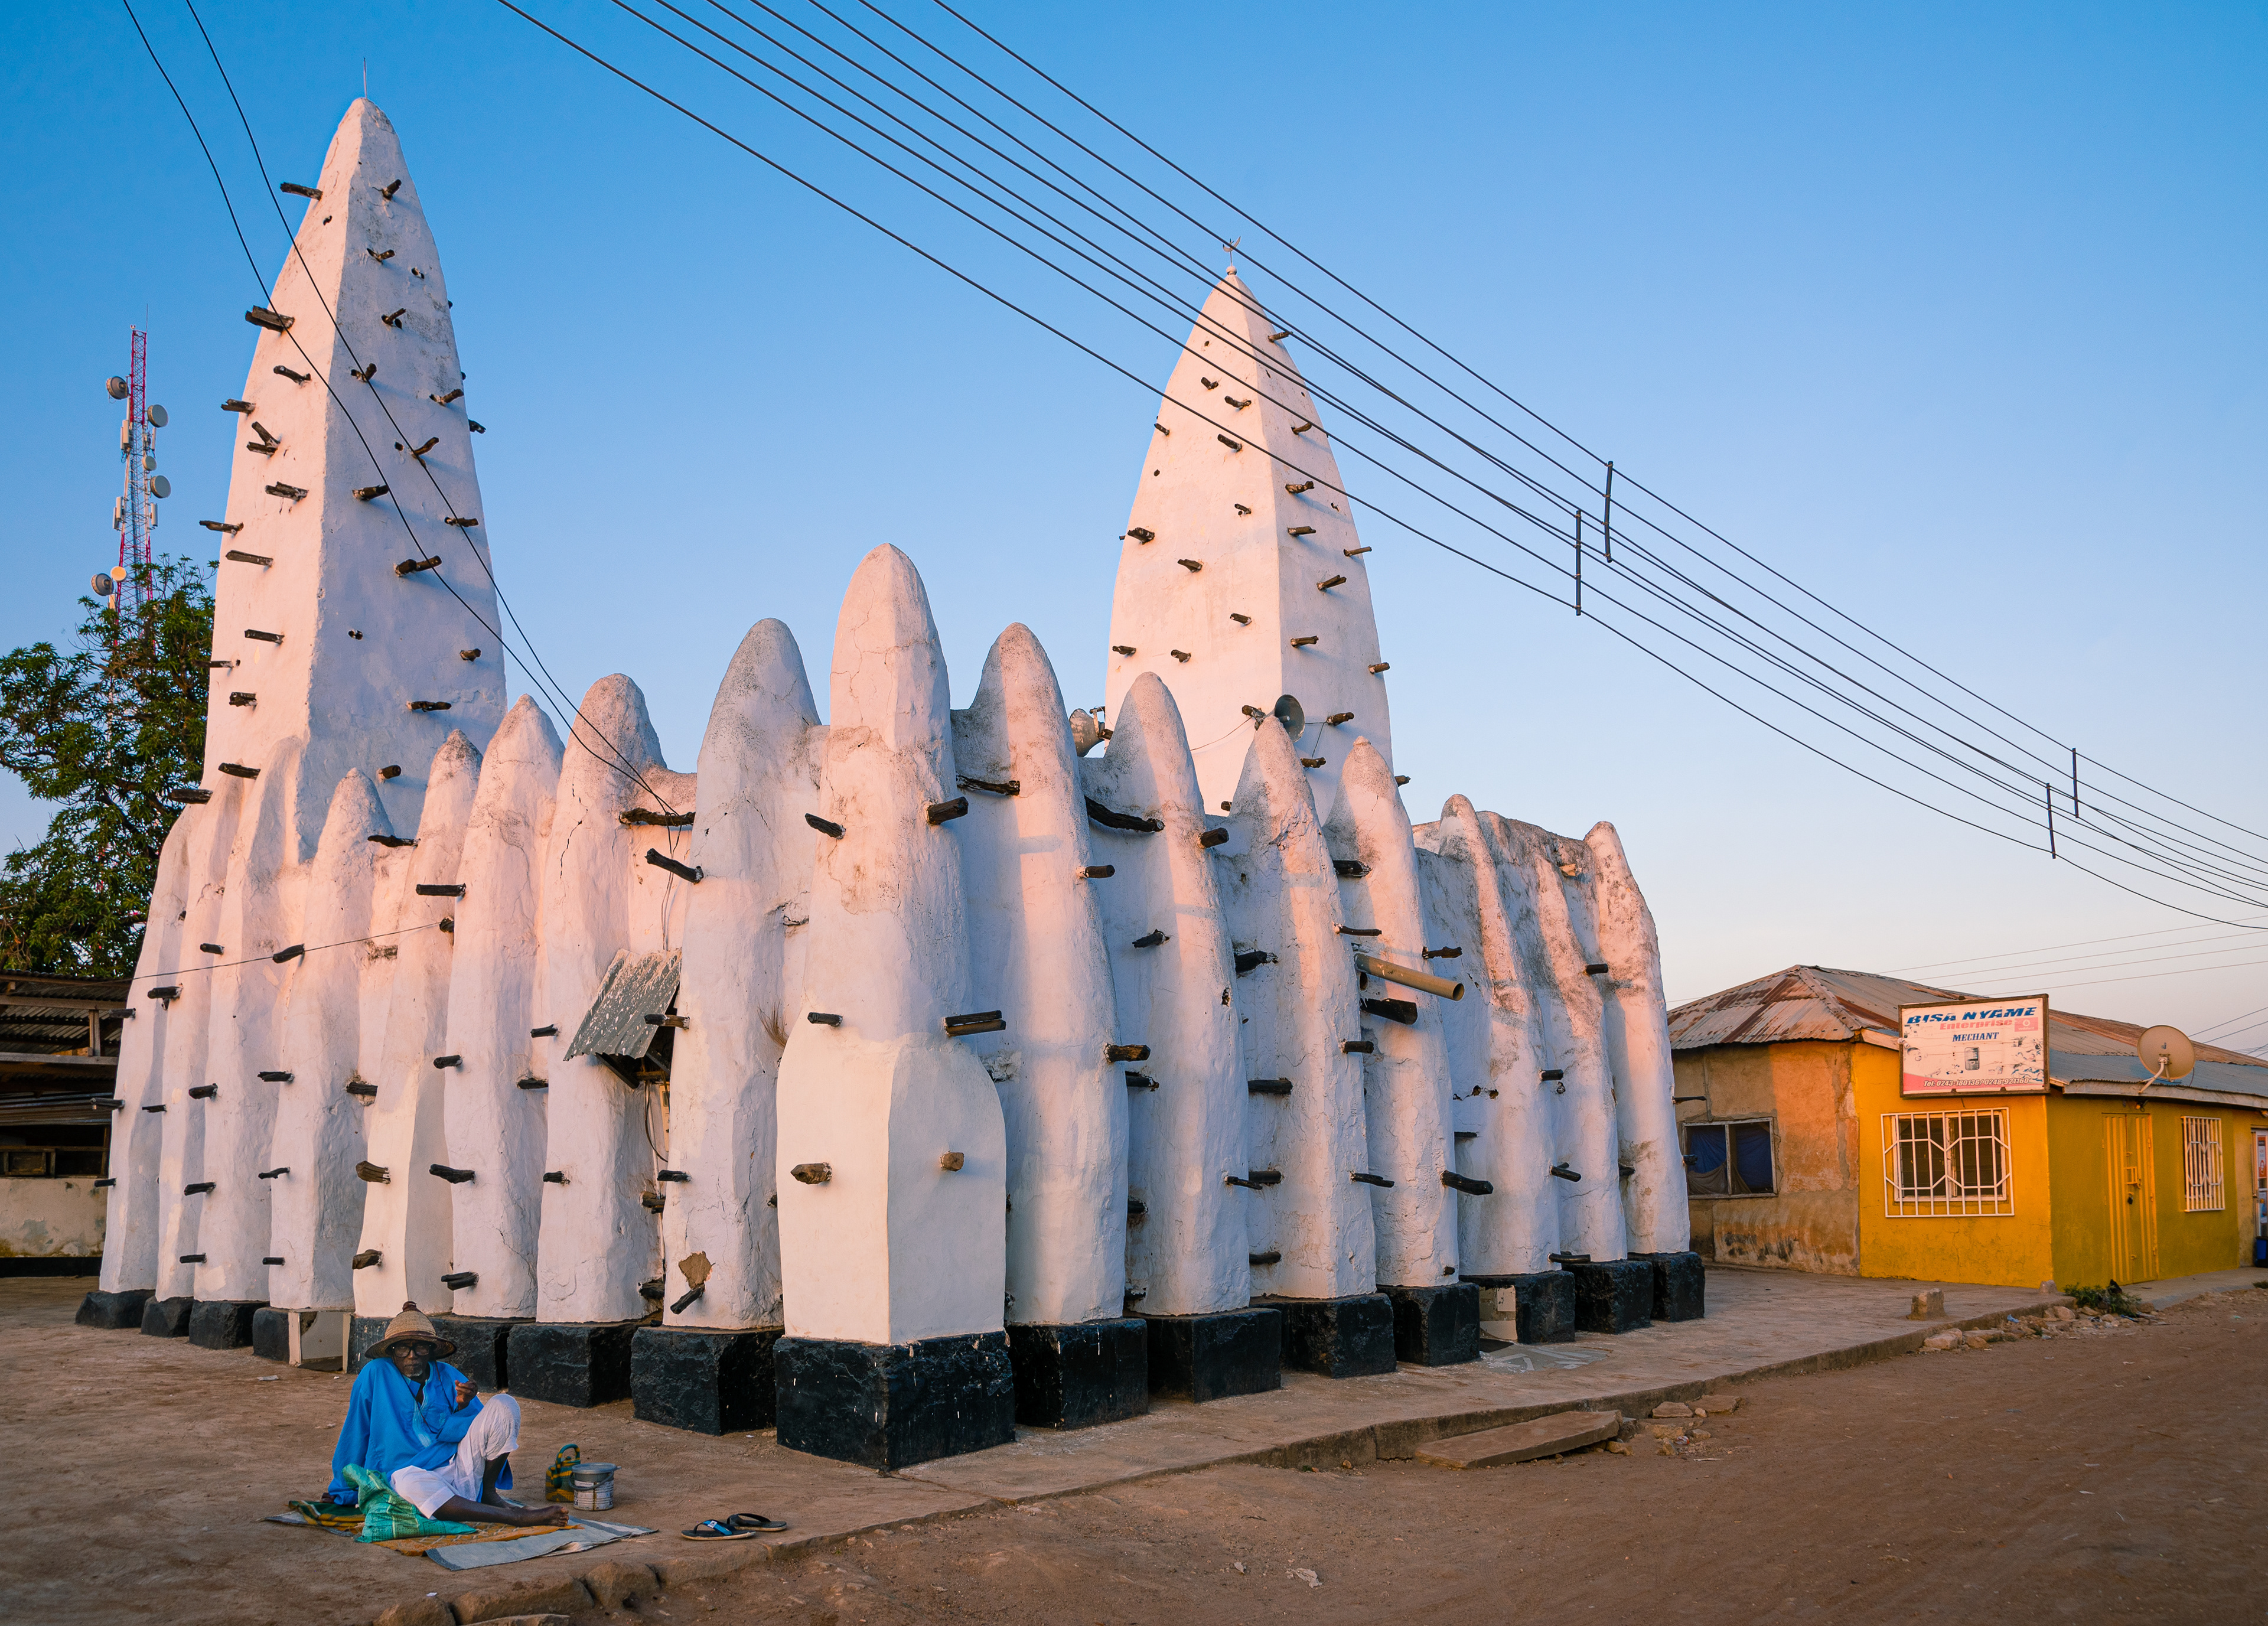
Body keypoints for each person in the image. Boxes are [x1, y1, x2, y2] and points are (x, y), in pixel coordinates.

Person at [324, 1301, 567, 1527]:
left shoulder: (447, 1373)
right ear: (391, 1351)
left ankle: (489, 1493)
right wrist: (345, 1488)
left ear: (431, 1350)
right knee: (409, 1481)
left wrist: (462, 1406)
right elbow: (356, 1430)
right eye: (403, 1348)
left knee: (505, 1404)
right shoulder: (375, 1374)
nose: (412, 1355)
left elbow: (478, 1432)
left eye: (420, 1346)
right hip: (404, 1475)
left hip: (457, 1469)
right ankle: (513, 1516)